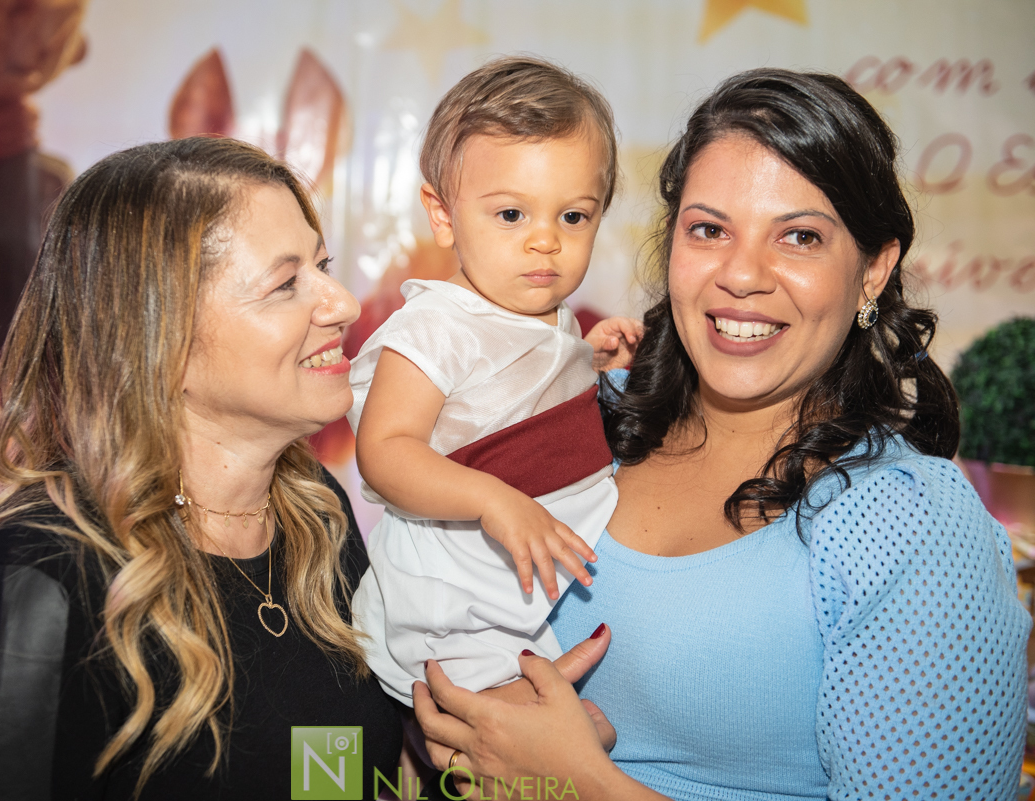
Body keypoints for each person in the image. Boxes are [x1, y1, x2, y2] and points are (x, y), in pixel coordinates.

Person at [413, 68, 1031, 800]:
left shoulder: (909, 521)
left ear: (873, 269)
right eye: (709, 229)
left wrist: (579, 783)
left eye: (799, 237)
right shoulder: (580, 416)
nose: (741, 275)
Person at [0, 137, 403, 799]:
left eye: (322, 265)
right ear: (162, 336)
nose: (343, 303)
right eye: (286, 283)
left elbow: (337, 775)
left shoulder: (316, 516)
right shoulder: (34, 581)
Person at [349, 56, 640, 705]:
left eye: (573, 217)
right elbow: (386, 451)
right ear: (443, 214)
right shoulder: (434, 327)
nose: (546, 242)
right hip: (455, 600)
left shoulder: (550, 316)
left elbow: (515, 400)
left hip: (530, 587)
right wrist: (492, 500)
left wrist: (587, 363)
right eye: (512, 215)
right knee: (520, 728)